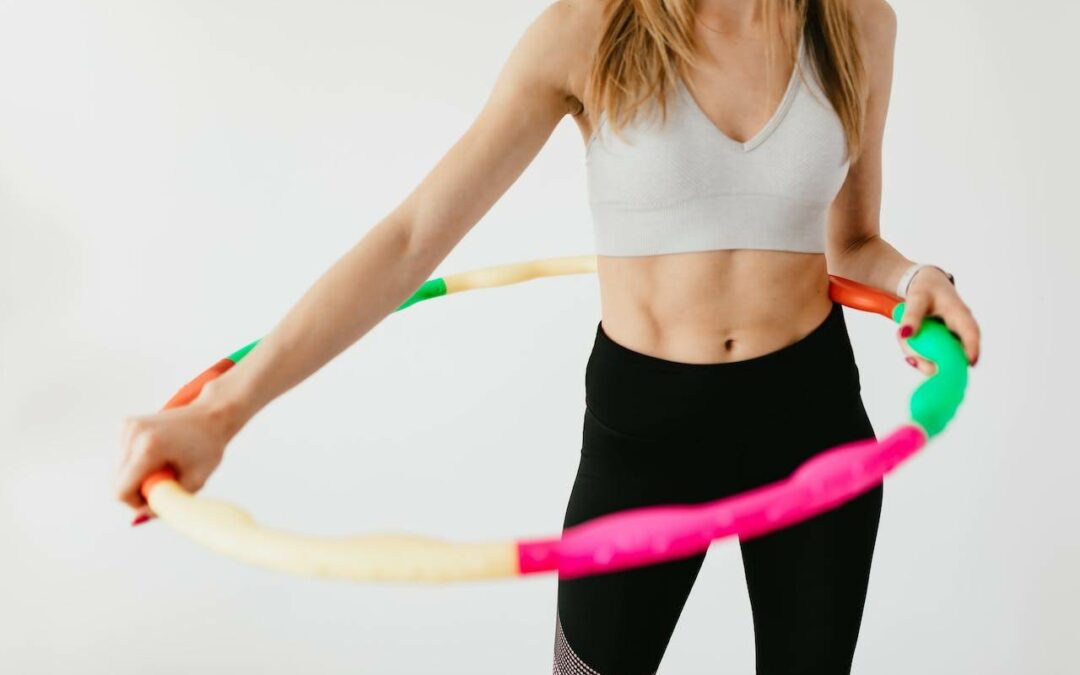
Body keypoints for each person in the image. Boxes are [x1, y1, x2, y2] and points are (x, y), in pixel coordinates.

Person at [115, 1, 981, 672]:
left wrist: (914, 279)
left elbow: (853, 240)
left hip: (811, 417)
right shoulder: (592, 29)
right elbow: (414, 237)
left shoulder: (860, 23)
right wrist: (222, 411)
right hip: (647, 433)